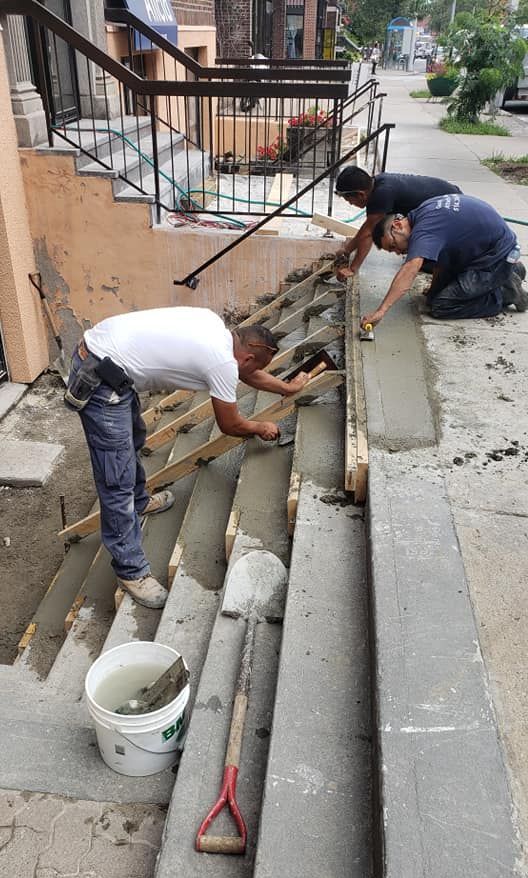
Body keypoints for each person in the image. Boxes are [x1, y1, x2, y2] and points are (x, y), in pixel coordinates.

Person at [65, 307, 309, 609]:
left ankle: (140, 502)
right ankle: (131, 572)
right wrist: (260, 427)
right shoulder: (222, 361)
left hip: (107, 361)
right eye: (249, 368)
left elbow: (248, 373)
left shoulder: (213, 324)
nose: (245, 374)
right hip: (100, 379)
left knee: (135, 437)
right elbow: (230, 425)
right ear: (245, 358)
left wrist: (286, 388)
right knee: (116, 479)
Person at [360, 193, 527, 331]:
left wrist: (381, 311)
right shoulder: (423, 213)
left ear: (396, 225)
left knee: (442, 305)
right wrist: (433, 291)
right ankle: (510, 271)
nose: (398, 252)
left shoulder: (423, 231)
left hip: (494, 256)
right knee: (433, 298)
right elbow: (441, 260)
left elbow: (410, 268)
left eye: (393, 245)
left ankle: (506, 292)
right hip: (487, 248)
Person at [333, 166, 462, 280]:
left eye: (349, 200)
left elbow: (368, 233)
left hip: (453, 211)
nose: (350, 204)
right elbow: (368, 227)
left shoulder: (381, 195)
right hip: (452, 198)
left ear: (361, 195)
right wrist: (347, 250)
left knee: (425, 262)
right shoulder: (379, 183)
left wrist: (352, 269)